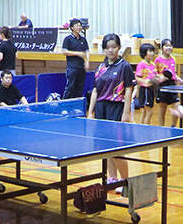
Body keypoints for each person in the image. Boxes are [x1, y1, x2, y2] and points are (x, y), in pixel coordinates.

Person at [87, 34, 135, 192]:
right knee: (105, 147)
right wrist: (90, 112)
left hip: (116, 107)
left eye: (113, 47)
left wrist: (126, 113)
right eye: (107, 47)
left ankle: (126, 182)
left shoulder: (124, 66)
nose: (110, 50)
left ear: (119, 48)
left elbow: (128, 90)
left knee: (117, 148)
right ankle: (112, 178)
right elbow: (95, 91)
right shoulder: (100, 67)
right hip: (101, 108)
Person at [154, 39, 183, 127]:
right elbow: (154, 73)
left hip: (172, 85)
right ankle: (161, 127)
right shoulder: (158, 60)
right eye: (166, 46)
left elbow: (172, 73)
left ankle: (173, 126)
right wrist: (161, 78)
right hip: (162, 85)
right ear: (162, 48)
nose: (169, 48)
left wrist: (178, 78)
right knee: (162, 109)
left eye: (170, 46)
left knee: (176, 106)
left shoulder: (173, 59)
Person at [61, 18, 89, 99]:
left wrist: (87, 62)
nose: (79, 27)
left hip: (81, 67)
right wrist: (78, 53)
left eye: (80, 26)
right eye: (77, 26)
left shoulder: (83, 39)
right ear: (72, 27)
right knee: (70, 87)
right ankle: (65, 104)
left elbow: (87, 51)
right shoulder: (68, 39)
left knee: (80, 88)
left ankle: (77, 104)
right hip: (72, 67)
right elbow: (64, 51)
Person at [134, 43, 161, 125]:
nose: (152, 53)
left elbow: (155, 75)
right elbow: (137, 77)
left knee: (145, 111)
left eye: (153, 51)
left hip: (151, 89)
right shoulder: (141, 64)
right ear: (144, 53)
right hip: (145, 89)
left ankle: (141, 126)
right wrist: (145, 82)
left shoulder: (153, 64)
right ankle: (146, 128)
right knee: (149, 111)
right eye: (150, 51)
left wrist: (158, 78)